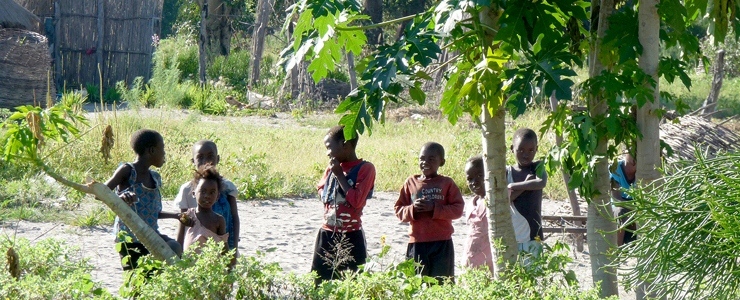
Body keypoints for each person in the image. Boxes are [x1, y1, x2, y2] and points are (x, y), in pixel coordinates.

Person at [105, 129, 184, 270]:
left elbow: (152, 213)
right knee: (136, 279)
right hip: (130, 238)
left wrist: (176, 216)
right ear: (152, 151)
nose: (165, 153)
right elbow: (101, 193)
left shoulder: (155, 178)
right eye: (163, 148)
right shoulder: (128, 171)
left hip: (151, 235)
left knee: (175, 248)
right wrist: (120, 198)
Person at [311, 125, 376, 285]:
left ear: (345, 145)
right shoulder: (331, 168)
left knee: (352, 284)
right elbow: (321, 187)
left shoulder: (365, 169)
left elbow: (356, 201)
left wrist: (340, 175)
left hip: (351, 235)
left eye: (329, 147)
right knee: (320, 283)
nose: (327, 153)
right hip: (327, 233)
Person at [395, 142, 464, 283]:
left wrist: (434, 208)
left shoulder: (447, 183)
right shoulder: (410, 182)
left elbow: (458, 209)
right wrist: (413, 209)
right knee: (416, 284)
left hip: (442, 243)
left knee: (442, 283)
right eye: (422, 158)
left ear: (442, 162)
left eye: (431, 159)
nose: (425, 162)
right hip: (417, 243)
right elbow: (399, 210)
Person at [174, 140, 240, 254]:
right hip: (195, 248)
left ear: (218, 159)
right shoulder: (187, 190)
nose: (205, 161)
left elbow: (234, 218)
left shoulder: (228, 187)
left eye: (210, 156)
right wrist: (179, 252)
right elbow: (182, 220)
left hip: (223, 246)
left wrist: (234, 247)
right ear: (192, 161)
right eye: (200, 157)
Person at [508, 128, 547, 256]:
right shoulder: (507, 172)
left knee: (533, 274)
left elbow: (541, 183)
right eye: (521, 150)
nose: (526, 154)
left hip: (533, 235)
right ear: (512, 148)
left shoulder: (538, 167)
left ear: (537, 149)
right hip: (512, 234)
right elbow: (507, 198)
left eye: (531, 150)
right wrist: (526, 185)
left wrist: (513, 185)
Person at [176, 165, 229, 254]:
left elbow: (223, 247)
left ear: (217, 196)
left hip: (210, 265)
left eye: (212, 192)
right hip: (188, 264)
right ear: (194, 193)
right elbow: (179, 241)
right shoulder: (187, 216)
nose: (207, 196)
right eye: (203, 191)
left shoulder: (218, 220)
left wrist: (230, 265)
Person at [610, 152, 637, 246]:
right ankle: (617, 251)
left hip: (636, 205)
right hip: (619, 205)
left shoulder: (644, 171)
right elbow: (616, 199)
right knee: (620, 212)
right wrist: (635, 208)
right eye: (633, 152)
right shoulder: (615, 168)